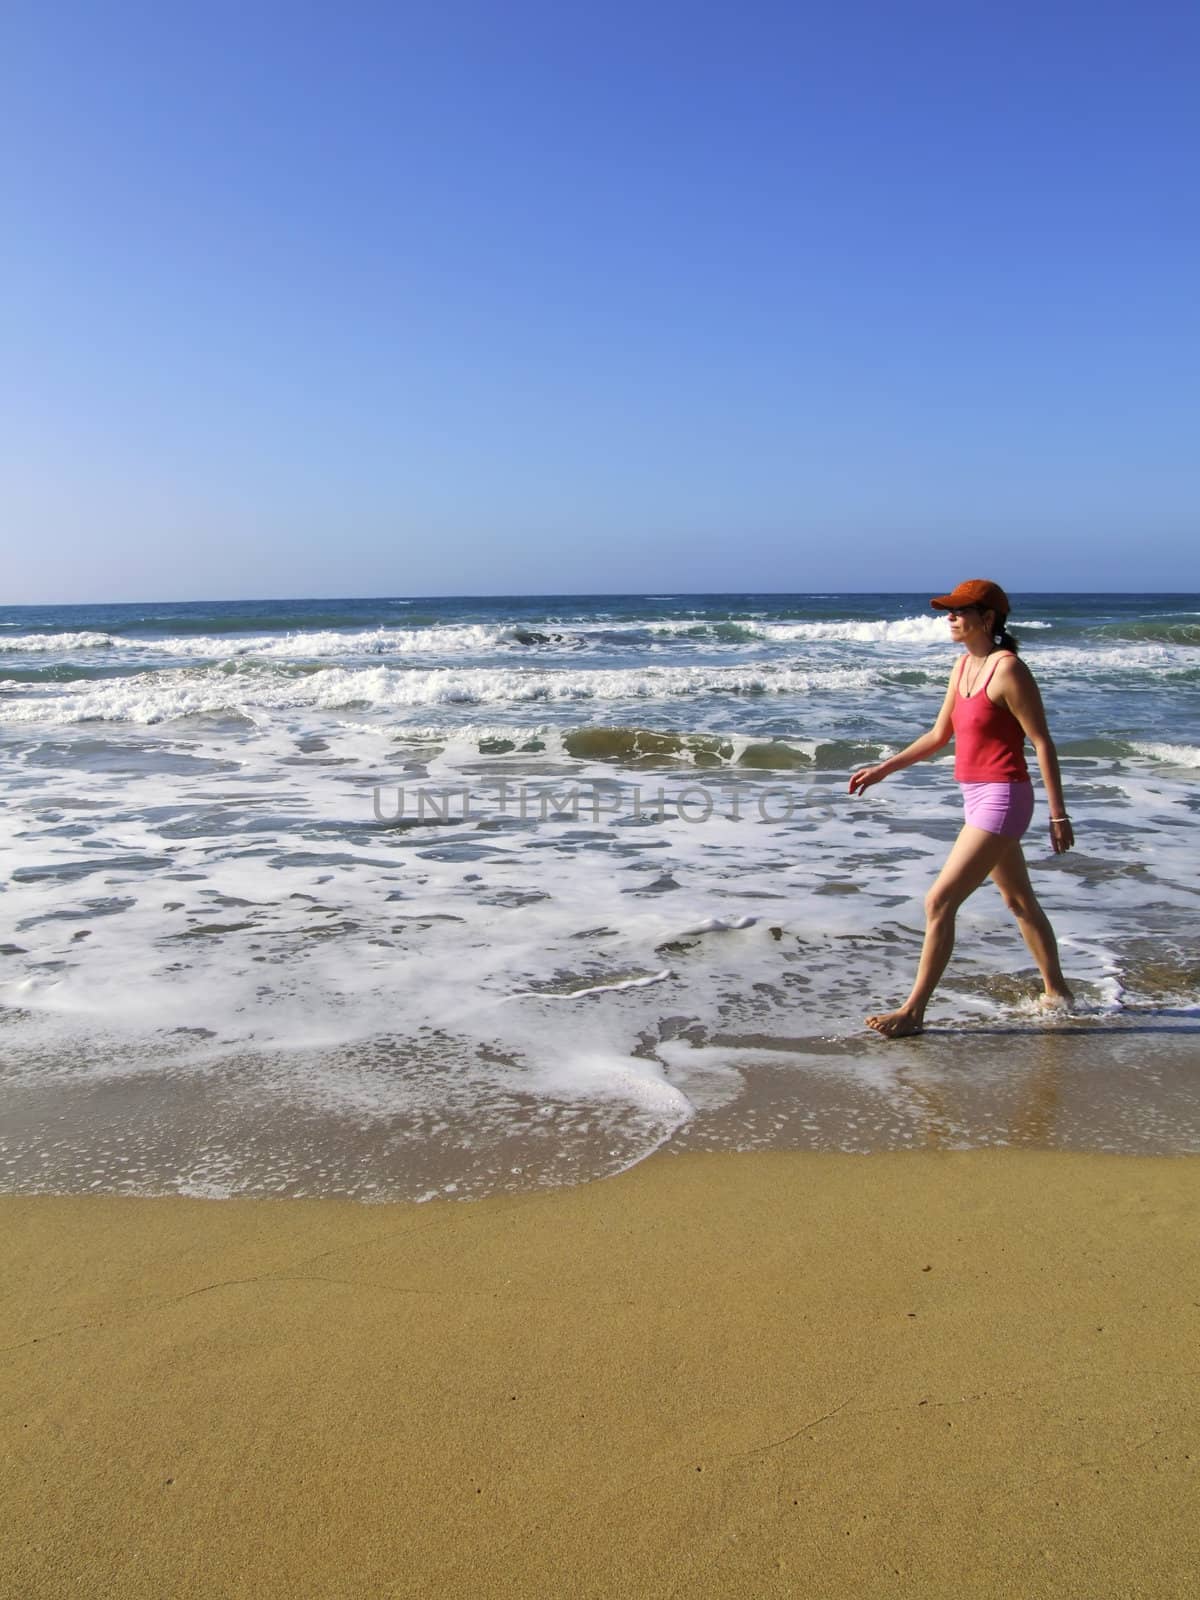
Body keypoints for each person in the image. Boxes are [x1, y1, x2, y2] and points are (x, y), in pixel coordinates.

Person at [848, 579, 1074, 1038]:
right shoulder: (961, 667)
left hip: (1005, 796)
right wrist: (884, 768)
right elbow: (938, 737)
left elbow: (1042, 742)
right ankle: (1059, 994)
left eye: (958, 612)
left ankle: (913, 1012)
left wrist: (1058, 814)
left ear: (987, 619)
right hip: (976, 796)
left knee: (939, 900)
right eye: (947, 612)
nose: (949, 619)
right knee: (1019, 900)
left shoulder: (1008, 669)